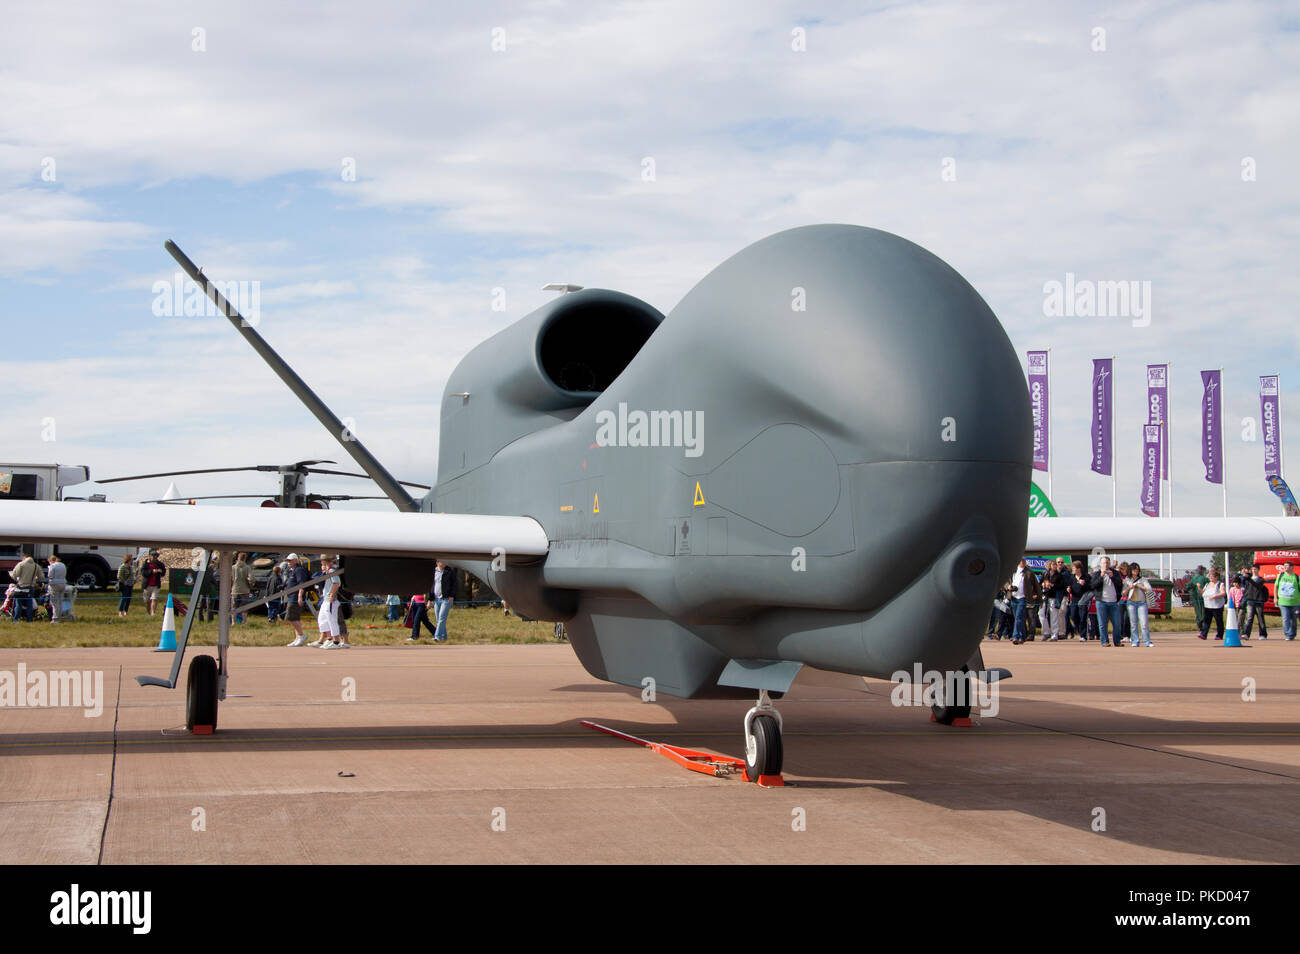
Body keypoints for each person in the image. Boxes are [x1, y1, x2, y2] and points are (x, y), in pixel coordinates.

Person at [309, 555, 344, 648]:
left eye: (324, 561)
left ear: (329, 562)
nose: (322, 563)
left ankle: (336, 641)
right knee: (322, 620)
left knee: (332, 620)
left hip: (330, 600)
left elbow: (336, 583)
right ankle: (329, 639)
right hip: (325, 600)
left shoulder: (332, 571)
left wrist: (332, 594)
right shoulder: (327, 571)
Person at [1090, 556, 1126, 647]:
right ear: (1100, 564)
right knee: (1102, 624)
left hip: (1113, 602)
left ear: (1109, 564)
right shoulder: (1096, 574)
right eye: (1104, 563)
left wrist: (1112, 577)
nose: (1105, 564)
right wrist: (1101, 577)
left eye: (1107, 562)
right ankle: (1104, 641)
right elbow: (1093, 585)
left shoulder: (1115, 573)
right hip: (1101, 602)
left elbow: (1120, 585)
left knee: (1117, 624)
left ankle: (1117, 641)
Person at [283, 554, 312, 646]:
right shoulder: (291, 571)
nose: (288, 563)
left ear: (295, 560)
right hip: (291, 596)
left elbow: (301, 584)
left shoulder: (299, 570)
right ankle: (297, 637)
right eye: (287, 561)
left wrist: (300, 596)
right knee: (295, 617)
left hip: (295, 598)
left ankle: (301, 635)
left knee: (291, 616)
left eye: (290, 561)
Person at [1123, 563, 1154, 647]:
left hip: (1142, 603)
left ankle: (1147, 641)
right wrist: (1129, 587)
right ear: (1131, 570)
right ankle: (1135, 641)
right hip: (1131, 603)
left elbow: (1149, 589)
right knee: (1133, 623)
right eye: (1134, 569)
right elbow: (1123, 593)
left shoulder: (1143, 579)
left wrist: (1139, 586)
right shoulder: (1127, 579)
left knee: (1144, 623)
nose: (1136, 571)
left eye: (1137, 569)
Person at [1008, 558, 1038, 645]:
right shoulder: (1012, 570)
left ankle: (1015, 636)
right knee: (1018, 618)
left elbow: (1036, 585)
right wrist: (1008, 587)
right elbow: (1005, 581)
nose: (1022, 562)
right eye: (1021, 560)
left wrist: (1037, 597)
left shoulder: (1029, 572)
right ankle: (1022, 636)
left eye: (1024, 560)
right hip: (1013, 597)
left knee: (1018, 617)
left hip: (1023, 597)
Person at [9, 552, 44, 622]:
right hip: (30, 587)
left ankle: (16, 619)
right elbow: (41, 577)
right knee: (29, 604)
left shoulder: (21, 564)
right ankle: (29, 620)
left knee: (18, 604)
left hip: (21, 587)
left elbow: (15, 575)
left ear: (24, 557)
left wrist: (11, 574)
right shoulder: (36, 566)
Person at [429, 560, 457, 643]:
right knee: (438, 619)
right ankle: (444, 637)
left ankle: (437, 636)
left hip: (446, 599)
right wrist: (430, 599)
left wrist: (452, 595)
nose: (444, 563)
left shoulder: (449, 571)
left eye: (445, 561)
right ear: (437, 562)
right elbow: (431, 586)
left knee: (441, 618)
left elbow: (454, 584)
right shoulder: (433, 572)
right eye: (442, 561)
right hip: (436, 599)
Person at [1065, 560, 1092, 641]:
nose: (1073, 570)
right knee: (1073, 616)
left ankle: (1083, 635)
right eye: (1072, 568)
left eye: (1074, 568)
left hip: (1083, 600)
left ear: (1079, 569)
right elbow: (1068, 586)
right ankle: (1079, 631)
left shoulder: (1086, 577)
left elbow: (1091, 587)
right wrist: (1068, 589)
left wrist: (1084, 584)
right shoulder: (1071, 577)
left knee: (1083, 617)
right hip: (1074, 600)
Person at [1241, 564, 1270, 640]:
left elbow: (1257, 585)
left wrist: (1249, 579)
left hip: (1259, 601)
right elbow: (1243, 583)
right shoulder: (1248, 578)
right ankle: (1246, 634)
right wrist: (1245, 576)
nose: (1254, 571)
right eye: (1253, 569)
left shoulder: (1260, 579)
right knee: (1250, 618)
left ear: (1258, 570)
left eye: (1255, 569)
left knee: (1260, 618)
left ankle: (1263, 634)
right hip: (1250, 600)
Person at [1274, 561, 1300, 641]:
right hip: (1283, 602)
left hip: (1294, 602)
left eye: (1287, 566)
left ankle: (1292, 634)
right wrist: (1276, 598)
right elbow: (1276, 587)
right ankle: (1288, 635)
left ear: (1292, 567)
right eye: (1284, 566)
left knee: (1293, 620)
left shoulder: (1296, 577)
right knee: (1285, 618)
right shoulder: (1280, 576)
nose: (1285, 567)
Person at [1199, 568, 1226, 640]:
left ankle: (1219, 635)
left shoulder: (1220, 584)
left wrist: (1215, 596)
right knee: (1207, 621)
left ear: (1216, 577)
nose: (1210, 578)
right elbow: (1203, 593)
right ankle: (1204, 634)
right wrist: (1199, 588)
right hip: (1208, 606)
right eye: (1210, 577)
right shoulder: (1207, 584)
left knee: (1219, 621)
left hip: (1217, 606)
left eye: (1212, 577)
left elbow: (1223, 593)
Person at [139, 550, 166, 616]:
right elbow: (143, 573)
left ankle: (153, 613)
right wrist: (152, 571)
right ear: (150, 556)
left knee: (154, 599)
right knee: (147, 601)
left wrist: (160, 571)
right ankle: (148, 613)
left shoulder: (160, 564)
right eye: (153, 556)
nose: (155, 558)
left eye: (156, 557)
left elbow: (163, 573)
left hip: (156, 585)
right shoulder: (145, 564)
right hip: (147, 585)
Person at [231, 552, 254, 624]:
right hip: (245, 590)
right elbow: (251, 578)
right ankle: (244, 622)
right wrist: (251, 584)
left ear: (238, 558)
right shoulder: (247, 567)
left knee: (234, 606)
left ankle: (233, 622)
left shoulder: (233, 567)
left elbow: (230, 578)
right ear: (245, 559)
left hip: (235, 590)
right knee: (244, 607)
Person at [1186, 565, 1209, 633]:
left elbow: (1188, 586)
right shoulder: (1205, 579)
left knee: (1197, 611)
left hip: (1195, 597)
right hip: (1202, 597)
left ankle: (1199, 624)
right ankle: (1202, 623)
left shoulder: (1194, 578)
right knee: (1203, 611)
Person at [46, 553, 67, 623]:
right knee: (60, 602)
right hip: (63, 583)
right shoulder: (63, 565)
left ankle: (55, 619)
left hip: (55, 584)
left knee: (55, 603)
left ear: (51, 561)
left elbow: (50, 576)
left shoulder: (52, 566)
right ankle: (60, 617)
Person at [116, 552, 136, 617]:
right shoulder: (122, 567)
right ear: (128, 560)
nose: (132, 561)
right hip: (124, 585)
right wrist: (124, 582)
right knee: (123, 598)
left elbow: (133, 575)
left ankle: (125, 611)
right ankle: (120, 611)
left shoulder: (131, 567)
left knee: (128, 599)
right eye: (131, 559)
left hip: (130, 585)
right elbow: (119, 576)